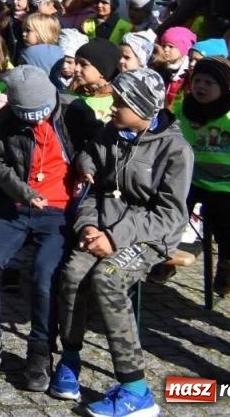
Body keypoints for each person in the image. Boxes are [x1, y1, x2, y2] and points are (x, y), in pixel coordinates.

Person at [49, 68, 191, 416]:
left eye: (120, 103)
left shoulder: (175, 150)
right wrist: (87, 226)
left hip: (149, 235)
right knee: (72, 274)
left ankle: (136, 391)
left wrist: (113, 238)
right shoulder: (113, 133)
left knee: (107, 278)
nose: (111, 108)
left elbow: (170, 215)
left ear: (142, 108)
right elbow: (94, 180)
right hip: (102, 226)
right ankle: (70, 358)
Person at [0, 66, 73, 390]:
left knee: (45, 272)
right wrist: (23, 191)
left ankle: (40, 351)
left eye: (41, 113)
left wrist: (86, 170)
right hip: (17, 206)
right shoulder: (6, 119)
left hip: (59, 211)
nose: (36, 121)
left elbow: (94, 150)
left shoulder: (73, 113)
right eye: (28, 116)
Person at [170, 56, 230, 296]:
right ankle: (165, 255)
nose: (201, 86)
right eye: (197, 81)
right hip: (188, 178)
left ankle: (227, 262)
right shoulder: (182, 109)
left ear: (223, 86)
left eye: (209, 83)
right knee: (173, 209)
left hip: (224, 183)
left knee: (222, 218)